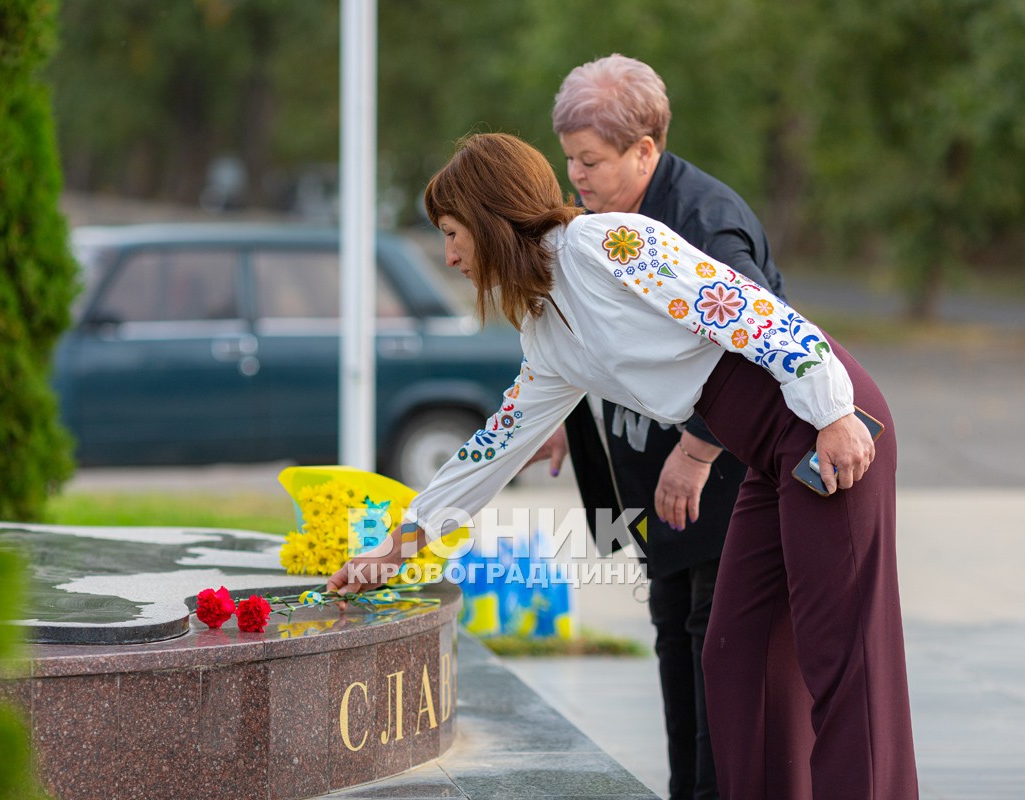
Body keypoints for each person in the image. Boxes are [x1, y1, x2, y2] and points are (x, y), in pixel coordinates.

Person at [327, 132, 919, 800]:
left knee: (840, 654)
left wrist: (832, 410)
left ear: (491, 220)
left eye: (454, 232)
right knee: (734, 650)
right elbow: (494, 447)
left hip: (823, 423)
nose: (450, 255)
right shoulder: (546, 327)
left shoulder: (607, 244)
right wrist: (401, 545)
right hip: (766, 452)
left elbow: (748, 307)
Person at [528, 53, 795, 800]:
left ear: (646, 149)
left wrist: (699, 450)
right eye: (570, 159)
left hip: (727, 483)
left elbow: (766, 341)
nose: (577, 177)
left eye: (592, 161)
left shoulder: (707, 223)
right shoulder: (608, 217)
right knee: (677, 640)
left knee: (718, 656)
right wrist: (560, 409)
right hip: (656, 488)